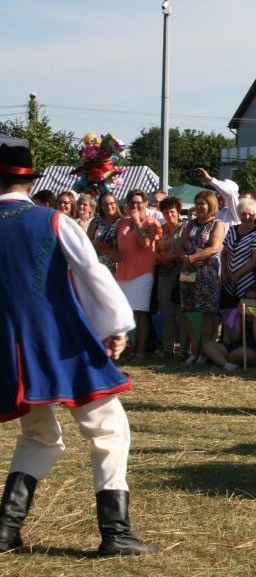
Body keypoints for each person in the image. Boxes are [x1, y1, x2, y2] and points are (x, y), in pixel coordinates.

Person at [0, 142, 157, 556]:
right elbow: (92, 273)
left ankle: (4, 531)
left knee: (39, 435)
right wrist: (115, 326)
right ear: (31, 181)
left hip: (8, 353)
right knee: (109, 429)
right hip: (59, 346)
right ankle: (116, 532)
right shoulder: (53, 221)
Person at [114, 190, 162, 362]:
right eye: (131, 202)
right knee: (125, 313)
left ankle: (140, 352)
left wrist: (137, 222)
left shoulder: (152, 222)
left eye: (138, 202)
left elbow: (146, 243)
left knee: (140, 313)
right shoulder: (122, 222)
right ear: (126, 205)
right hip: (123, 272)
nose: (135, 206)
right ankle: (129, 348)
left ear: (145, 204)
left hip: (143, 272)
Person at [179, 190, 226, 364]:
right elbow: (181, 245)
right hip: (188, 273)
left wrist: (193, 258)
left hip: (207, 273)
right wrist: (185, 258)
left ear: (211, 205)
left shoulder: (217, 224)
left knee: (206, 313)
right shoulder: (190, 224)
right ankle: (194, 349)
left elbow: (214, 248)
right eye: (197, 203)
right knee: (190, 311)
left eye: (202, 203)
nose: (199, 207)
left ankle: (204, 351)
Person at [202, 301, 256, 371]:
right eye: (248, 299)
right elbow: (235, 338)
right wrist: (238, 316)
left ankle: (219, 360)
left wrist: (255, 318)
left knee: (237, 353)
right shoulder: (240, 315)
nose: (250, 302)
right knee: (207, 345)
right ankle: (227, 365)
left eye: (254, 299)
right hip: (240, 346)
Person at [222, 198, 256, 307]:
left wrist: (236, 276)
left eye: (250, 214)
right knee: (228, 315)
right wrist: (223, 272)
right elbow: (223, 253)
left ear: (255, 214)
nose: (247, 217)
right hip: (227, 281)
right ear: (238, 214)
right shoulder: (232, 229)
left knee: (246, 316)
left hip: (247, 283)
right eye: (243, 214)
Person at [155, 196, 185, 357]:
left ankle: (184, 348)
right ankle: (167, 347)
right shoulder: (160, 229)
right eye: (165, 212)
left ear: (178, 212)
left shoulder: (185, 227)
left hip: (182, 274)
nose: (169, 215)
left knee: (181, 312)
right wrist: (161, 258)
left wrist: (171, 257)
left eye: (172, 211)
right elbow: (153, 250)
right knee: (167, 312)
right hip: (164, 273)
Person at [88, 192, 122, 275]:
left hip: (117, 266)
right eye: (105, 204)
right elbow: (86, 243)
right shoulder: (96, 221)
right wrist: (94, 244)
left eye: (111, 203)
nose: (109, 207)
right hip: (97, 266)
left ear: (116, 204)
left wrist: (107, 249)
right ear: (101, 206)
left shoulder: (122, 221)